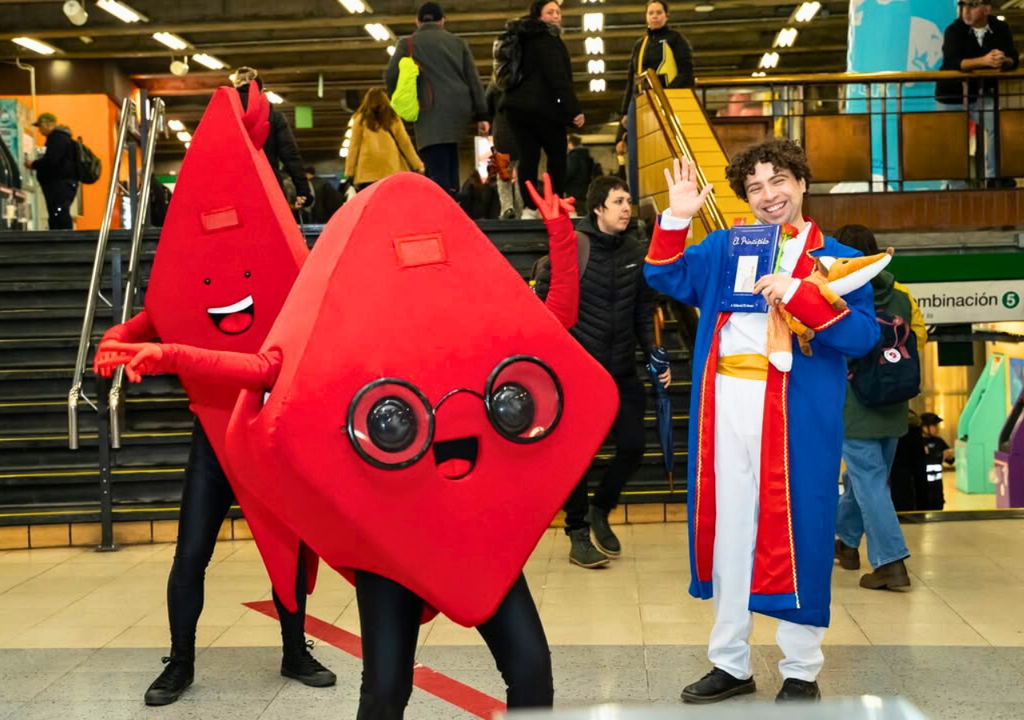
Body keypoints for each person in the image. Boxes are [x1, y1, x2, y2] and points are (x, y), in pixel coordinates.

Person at [95, 171, 620, 720]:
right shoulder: (345, 328)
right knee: (386, 691)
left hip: (471, 526)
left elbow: (551, 325)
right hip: (389, 529)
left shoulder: (467, 317)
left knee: (532, 671)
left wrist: (561, 235)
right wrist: (170, 354)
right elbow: (265, 368)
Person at [94, 83, 334, 706]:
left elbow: (306, 310)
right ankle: (180, 662)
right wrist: (119, 336)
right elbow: (165, 310)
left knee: (286, 543)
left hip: (265, 424)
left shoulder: (278, 251)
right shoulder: (201, 253)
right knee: (191, 552)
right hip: (213, 427)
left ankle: (292, 649)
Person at [644, 140, 880, 703]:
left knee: (804, 529)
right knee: (729, 531)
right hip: (724, 406)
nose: (769, 195)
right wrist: (677, 217)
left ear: (801, 182)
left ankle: (801, 669)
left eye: (779, 181)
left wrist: (803, 296)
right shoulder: (726, 246)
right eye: (755, 187)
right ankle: (730, 661)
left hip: (797, 415)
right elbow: (665, 276)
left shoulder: (839, 257)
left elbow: (864, 337)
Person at [535, 175, 667, 568]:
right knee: (577, 457)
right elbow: (547, 304)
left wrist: (655, 356)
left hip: (623, 369)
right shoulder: (575, 247)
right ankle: (578, 534)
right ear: (598, 208)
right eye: (618, 201)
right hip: (579, 374)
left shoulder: (636, 251)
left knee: (632, 447)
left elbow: (644, 311)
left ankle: (600, 509)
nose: (627, 208)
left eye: (629, 200)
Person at [833, 224, 925, 591]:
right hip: (895, 400)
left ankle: (890, 562)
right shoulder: (901, 292)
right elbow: (919, 337)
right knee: (863, 478)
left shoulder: (840, 293)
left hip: (856, 403)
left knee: (868, 480)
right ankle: (847, 543)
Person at [385, 2, 490, 196]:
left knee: (434, 159)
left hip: (429, 107)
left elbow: (390, 76)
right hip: (459, 108)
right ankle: (453, 195)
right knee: (450, 153)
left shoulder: (407, 43)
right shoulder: (459, 43)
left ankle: (445, 201)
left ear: (417, 21)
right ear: (443, 20)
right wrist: (482, 114)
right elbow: (473, 78)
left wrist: (401, 99)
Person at [500, 0, 584, 220]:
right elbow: (558, 78)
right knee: (557, 155)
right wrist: (573, 110)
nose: (556, 16)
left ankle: (530, 209)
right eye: (550, 12)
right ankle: (557, 204)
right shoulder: (548, 40)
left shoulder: (520, 38)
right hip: (542, 108)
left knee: (528, 157)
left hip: (516, 108)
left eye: (558, 11)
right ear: (539, 17)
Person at [937, 0, 1019, 182]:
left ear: (986, 9)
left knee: (998, 127)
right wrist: (985, 61)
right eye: (962, 5)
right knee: (953, 142)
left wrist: (1004, 61)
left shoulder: (1000, 28)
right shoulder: (954, 30)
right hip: (951, 96)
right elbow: (952, 62)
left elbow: (1013, 56)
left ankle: (994, 178)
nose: (966, 11)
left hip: (982, 93)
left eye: (972, 5)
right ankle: (954, 187)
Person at [232, 67, 313, 209]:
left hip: (232, 187)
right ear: (261, 89)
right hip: (268, 184)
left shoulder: (224, 114)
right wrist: (302, 190)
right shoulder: (274, 117)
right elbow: (290, 154)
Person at [346, 87, 425, 191]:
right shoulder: (393, 118)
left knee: (372, 205)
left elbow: (354, 147)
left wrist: (349, 172)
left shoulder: (360, 119)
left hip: (367, 174)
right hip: (391, 170)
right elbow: (405, 143)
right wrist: (417, 165)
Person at [25, 112, 78, 230]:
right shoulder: (63, 138)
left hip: (59, 185)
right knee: (59, 212)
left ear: (48, 124)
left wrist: (33, 164)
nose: (39, 130)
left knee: (58, 213)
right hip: (65, 183)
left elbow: (51, 160)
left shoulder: (57, 138)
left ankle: (61, 242)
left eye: (40, 126)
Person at [486, 83, 521, 219]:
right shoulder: (523, 82)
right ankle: (521, 210)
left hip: (502, 135)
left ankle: (507, 208)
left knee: (503, 175)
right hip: (521, 135)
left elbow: (486, 107)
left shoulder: (495, 86)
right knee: (521, 177)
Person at [563, 134, 598, 209]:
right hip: (586, 193)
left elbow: (568, 174)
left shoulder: (573, 157)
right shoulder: (588, 158)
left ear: (570, 144)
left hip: (574, 193)